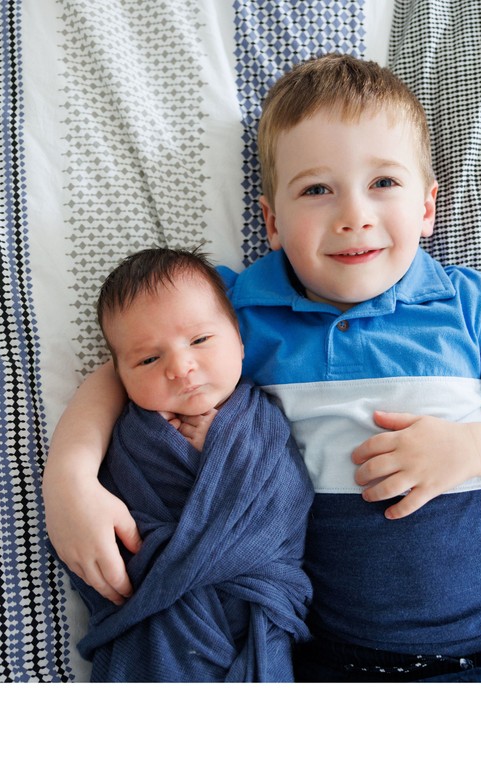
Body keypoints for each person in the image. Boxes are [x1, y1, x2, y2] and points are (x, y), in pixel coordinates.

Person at [44, 54, 481, 682]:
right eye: (318, 189)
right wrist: (71, 481)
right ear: (272, 222)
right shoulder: (240, 314)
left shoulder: (464, 305)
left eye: (384, 184)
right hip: (339, 664)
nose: (354, 215)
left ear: (427, 208)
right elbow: (125, 368)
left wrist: (470, 449)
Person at [60, 247, 313, 682]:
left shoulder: (262, 419)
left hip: (253, 615)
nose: (180, 366)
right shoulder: (127, 435)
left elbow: (288, 505)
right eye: (148, 359)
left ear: (239, 338)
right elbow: (111, 538)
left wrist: (220, 450)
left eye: (199, 340)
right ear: (120, 374)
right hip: (159, 616)